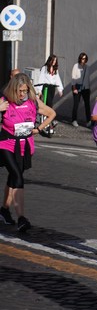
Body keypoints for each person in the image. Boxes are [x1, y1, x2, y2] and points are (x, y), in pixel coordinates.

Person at [0, 73, 56, 232]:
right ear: (13, 89)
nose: (22, 94)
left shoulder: (32, 102)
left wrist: (39, 128)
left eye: (25, 90)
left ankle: (4, 209)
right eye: (19, 91)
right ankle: (21, 218)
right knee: (17, 176)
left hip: (25, 145)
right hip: (6, 143)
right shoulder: (5, 101)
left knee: (13, 177)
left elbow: (52, 113)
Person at [71, 52, 92, 127]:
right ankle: (74, 120)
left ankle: (88, 120)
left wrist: (89, 88)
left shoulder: (87, 67)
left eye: (85, 58)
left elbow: (87, 79)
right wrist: (74, 88)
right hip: (77, 87)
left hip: (85, 88)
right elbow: (73, 78)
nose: (84, 60)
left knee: (87, 104)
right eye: (82, 58)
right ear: (80, 58)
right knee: (76, 104)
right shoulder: (76, 66)